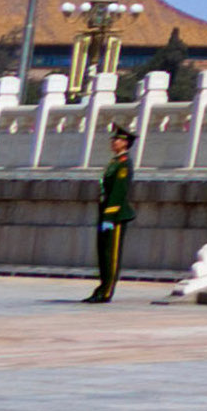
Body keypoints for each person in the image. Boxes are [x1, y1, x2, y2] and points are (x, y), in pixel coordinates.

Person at [88, 127, 135, 302]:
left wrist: (109, 217)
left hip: (115, 216)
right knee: (103, 253)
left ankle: (107, 291)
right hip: (106, 213)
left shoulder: (124, 163)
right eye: (113, 139)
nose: (114, 142)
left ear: (125, 143)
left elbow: (118, 193)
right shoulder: (114, 162)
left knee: (111, 255)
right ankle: (102, 288)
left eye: (118, 140)